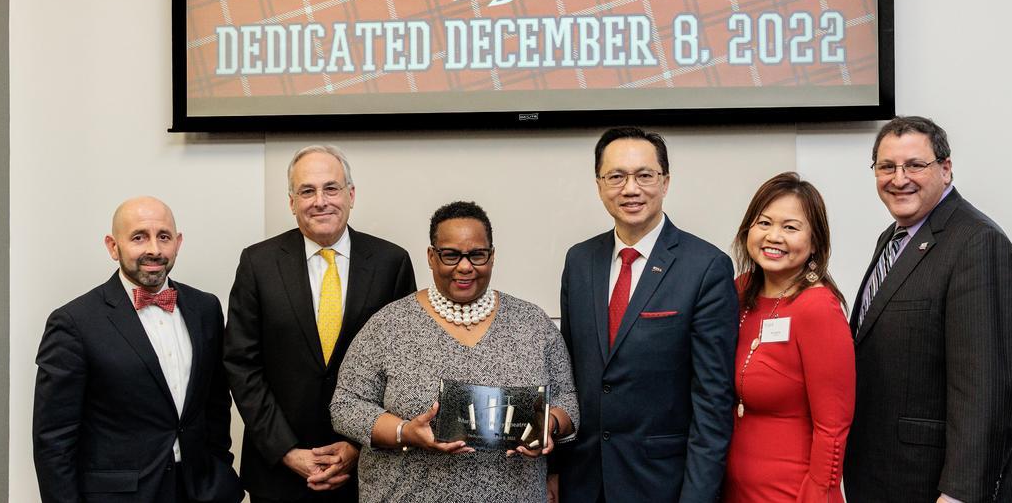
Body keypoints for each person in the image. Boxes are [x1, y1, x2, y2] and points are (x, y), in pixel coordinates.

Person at [329, 201, 579, 502]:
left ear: (492, 256)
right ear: (431, 257)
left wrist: (548, 425)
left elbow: (567, 400)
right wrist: (405, 432)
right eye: (451, 255)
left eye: (477, 254)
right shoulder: (388, 325)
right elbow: (345, 406)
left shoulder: (533, 324)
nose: (465, 266)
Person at [845, 116, 1012, 503]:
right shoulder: (896, 238)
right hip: (891, 476)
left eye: (915, 165)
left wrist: (960, 493)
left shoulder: (978, 244)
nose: (899, 178)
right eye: (886, 167)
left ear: (945, 169)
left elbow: (989, 387)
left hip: (940, 487)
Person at [555, 127, 738, 503]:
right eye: (616, 177)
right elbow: (566, 375)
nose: (630, 189)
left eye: (644, 175)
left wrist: (698, 496)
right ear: (599, 184)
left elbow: (713, 399)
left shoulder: (705, 267)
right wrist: (555, 469)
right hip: (585, 480)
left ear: (665, 182)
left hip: (661, 483)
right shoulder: (579, 260)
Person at [225, 145, 417, 502]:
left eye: (331, 188)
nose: (320, 201)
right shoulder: (258, 263)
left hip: (368, 469)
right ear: (291, 201)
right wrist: (287, 451)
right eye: (307, 191)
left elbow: (405, 369)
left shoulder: (392, 262)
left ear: (351, 194)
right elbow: (242, 365)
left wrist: (358, 445)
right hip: (278, 471)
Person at [33, 196, 241, 503]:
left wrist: (219, 468)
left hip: (200, 489)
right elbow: (53, 439)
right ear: (113, 246)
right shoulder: (74, 322)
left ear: (178, 243)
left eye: (164, 237)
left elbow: (215, 404)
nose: (154, 249)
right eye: (139, 237)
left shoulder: (206, 308)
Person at [724, 173, 855, 503]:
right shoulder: (738, 292)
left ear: (815, 242)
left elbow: (833, 427)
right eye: (764, 222)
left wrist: (817, 494)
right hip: (731, 487)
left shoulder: (818, 308)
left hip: (791, 492)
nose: (773, 236)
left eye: (791, 227)